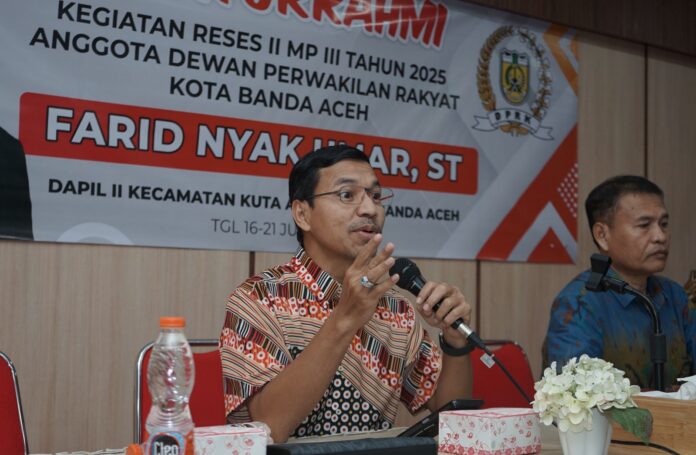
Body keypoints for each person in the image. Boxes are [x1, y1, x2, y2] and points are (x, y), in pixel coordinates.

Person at [219, 145, 474, 442]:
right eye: (347, 195)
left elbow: (451, 421)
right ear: (302, 214)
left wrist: (455, 344)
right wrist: (345, 318)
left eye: (375, 196)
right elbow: (268, 429)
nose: (370, 210)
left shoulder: (395, 309)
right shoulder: (259, 299)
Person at [542, 175, 695, 389]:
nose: (660, 236)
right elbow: (575, 396)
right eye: (644, 225)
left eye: (664, 224)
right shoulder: (578, 304)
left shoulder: (674, 295)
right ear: (602, 235)